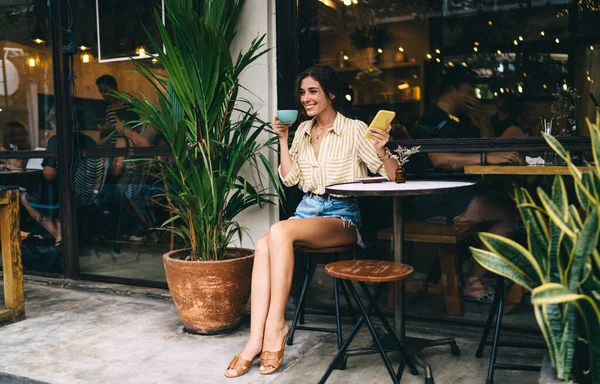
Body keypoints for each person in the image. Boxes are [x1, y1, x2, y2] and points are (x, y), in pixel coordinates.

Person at [225, 65, 398, 378]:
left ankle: (276, 327)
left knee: (277, 230)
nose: (305, 98)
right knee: (264, 245)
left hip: (340, 214)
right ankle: (254, 340)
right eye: (303, 92)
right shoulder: (303, 131)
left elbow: (391, 176)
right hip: (307, 210)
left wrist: (382, 147)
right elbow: (291, 180)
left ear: (331, 94)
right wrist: (282, 137)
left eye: (313, 91)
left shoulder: (355, 129)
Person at [411, 66, 520, 302]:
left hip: (459, 194)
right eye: (469, 90)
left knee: (505, 202)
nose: (474, 96)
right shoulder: (432, 119)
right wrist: (486, 159)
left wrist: (482, 119)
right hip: (434, 198)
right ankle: (474, 281)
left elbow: (491, 146)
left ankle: (472, 269)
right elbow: (440, 160)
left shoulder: (461, 121)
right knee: (508, 216)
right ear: (453, 91)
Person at [20, 109, 97, 247]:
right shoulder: (89, 141)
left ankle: (60, 239)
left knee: (25, 197)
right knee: (56, 199)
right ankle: (62, 239)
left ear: (55, 124)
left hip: (65, 194)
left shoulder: (56, 140)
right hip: (86, 192)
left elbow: (49, 174)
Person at [96, 74, 131, 145]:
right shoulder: (109, 109)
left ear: (115, 88)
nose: (103, 94)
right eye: (101, 92)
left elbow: (133, 132)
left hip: (127, 148)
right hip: (113, 149)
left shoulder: (128, 106)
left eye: (105, 91)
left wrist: (112, 129)